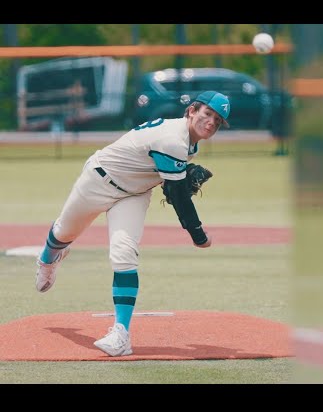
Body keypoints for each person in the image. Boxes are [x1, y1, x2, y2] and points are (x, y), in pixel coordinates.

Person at [35, 91, 231, 357]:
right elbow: (178, 197)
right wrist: (198, 235)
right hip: (99, 180)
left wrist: (176, 181)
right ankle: (48, 259)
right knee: (63, 232)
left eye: (218, 121)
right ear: (192, 111)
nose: (211, 122)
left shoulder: (189, 145)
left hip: (134, 195)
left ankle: (121, 334)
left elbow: (168, 183)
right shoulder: (173, 139)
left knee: (124, 254)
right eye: (208, 114)